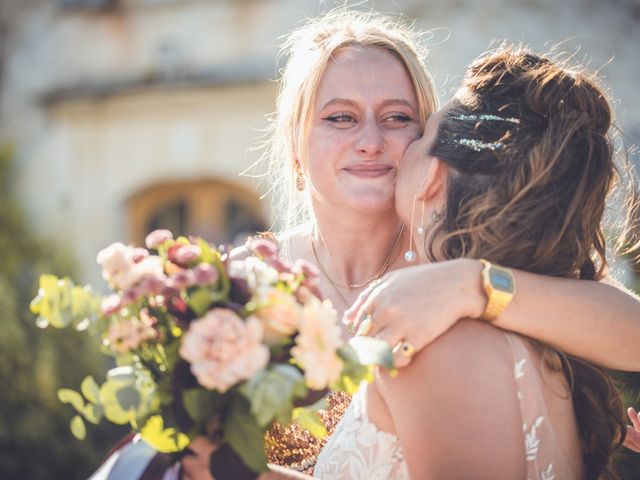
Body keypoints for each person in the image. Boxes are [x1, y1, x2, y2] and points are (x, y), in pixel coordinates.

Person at [97, 9, 640, 479]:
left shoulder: (476, 264)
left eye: (398, 118)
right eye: (341, 118)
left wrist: (473, 285)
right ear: (295, 145)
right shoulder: (240, 283)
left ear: (430, 143)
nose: (372, 141)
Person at [313, 44, 634, 479]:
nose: (377, 144)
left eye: (411, 127)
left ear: (432, 175)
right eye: (341, 118)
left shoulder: (435, 342)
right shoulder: (542, 331)